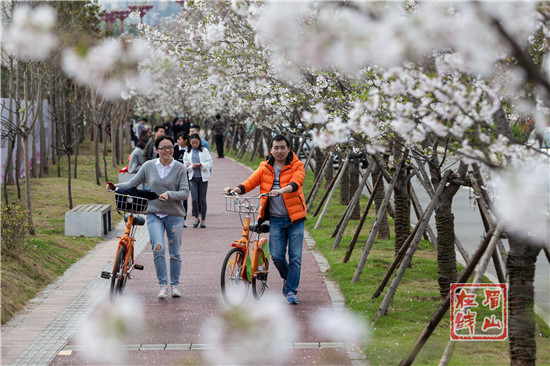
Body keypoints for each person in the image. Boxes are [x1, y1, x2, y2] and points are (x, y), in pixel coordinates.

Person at [224, 135, 306, 305]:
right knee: (276, 256)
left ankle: (291, 290)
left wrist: (282, 190)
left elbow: (297, 182)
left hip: (295, 220)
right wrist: (235, 190)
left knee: (295, 257)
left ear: (289, 149)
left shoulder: (297, 165)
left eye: (282, 147)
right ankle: (288, 277)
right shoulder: (265, 167)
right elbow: (250, 183)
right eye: (276, 148)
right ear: (271, 150)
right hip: (276, 220)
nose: (279, 151)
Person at [109, 135, 189, 299]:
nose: (167, 150)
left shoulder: (180, 168)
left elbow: (185, 193)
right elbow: (132, 184)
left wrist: (170, 194)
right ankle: (163, 286)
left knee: (175, 253)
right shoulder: (148, 166)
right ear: (156, 150)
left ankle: (174, 285)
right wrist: (115, 187)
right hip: (154, 214)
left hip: (175, 215)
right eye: (164, 148)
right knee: (158, 248)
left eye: (170, 147)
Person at [184, 133, 213, 228]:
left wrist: (202, 165)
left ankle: (203, 220)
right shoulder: (187, 152)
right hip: (192, 178)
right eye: (192, 143)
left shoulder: (204, 151)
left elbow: (210, 162)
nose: (194, 145)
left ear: (199, 142)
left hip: (203, 178)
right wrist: (192, 166)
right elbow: (185, 166)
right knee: (194, 199)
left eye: (196, 143)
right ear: (189, 143)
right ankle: (196, 218)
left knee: (203, 199)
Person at [174, 132, 190, 226]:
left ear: (185, 140)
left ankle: (183, 219)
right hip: (175, 176)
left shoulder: (190, 149)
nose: (178, 141)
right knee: (175, 197)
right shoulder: (175, 149)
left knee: (184, 198)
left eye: (180, 139)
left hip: (187, 176)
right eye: (178, 139)